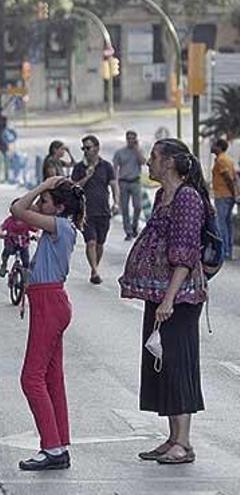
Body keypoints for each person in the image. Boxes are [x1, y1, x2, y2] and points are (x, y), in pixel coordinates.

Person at [119, 138, 209, 465]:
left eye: (154, 157)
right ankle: (172, 437)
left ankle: (183, 443)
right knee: (162, 364)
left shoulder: (186, 198)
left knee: (178, 364)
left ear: (169, 162)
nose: (148, 163)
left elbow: (184, 254)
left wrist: (169, 299)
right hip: (158, 294)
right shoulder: (162, 196)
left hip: (179, 299)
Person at [9, 176, 86, 471]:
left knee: (31, 378)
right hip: (49, 301)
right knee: (52, 378)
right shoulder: (60, 226)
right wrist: (45, 190)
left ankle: (52, 446)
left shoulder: (60, 227)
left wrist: (42, 186)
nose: (40, 205)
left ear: (59, 207)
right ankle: (58, 443)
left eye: (46, 202)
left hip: (49, 303)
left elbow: (18, 209)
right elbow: (17, 208)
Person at [71, 135, 119, 285]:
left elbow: (113, 185)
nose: (85, 151)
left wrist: (116, 202)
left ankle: (95, 266)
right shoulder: (79, 168)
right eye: (83, 148)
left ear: (97, 148)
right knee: (90, 242)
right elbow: (74, 188)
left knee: (99, 244)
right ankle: (94, 271)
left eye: (88, 148)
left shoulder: (106, 166)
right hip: (85, 212)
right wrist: (87, 177)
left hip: (103, 210)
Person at [113, 130, 146, 241]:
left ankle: (134, 226)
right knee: (125, 208)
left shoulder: (138, 151)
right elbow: (115, 167)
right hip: (124, 181)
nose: (131, 141)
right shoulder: (120, 152)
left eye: (133, 138)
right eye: (129, 138)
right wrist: (115, 183)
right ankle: (128, 231)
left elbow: (143, 162)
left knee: (138, 206)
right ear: (126, 139)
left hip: (135, 181)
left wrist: (137, 149)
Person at [211, 138, 237, 260]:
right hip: (228, 195)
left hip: (223, 195)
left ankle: (225, 251)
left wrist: (233, 193)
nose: (212, 146)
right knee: (228, 223)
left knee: (222, 224)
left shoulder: (221, 160)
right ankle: (228, 250)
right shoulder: (228, 159)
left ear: (219, 147)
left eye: (214, 144)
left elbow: (228, 178)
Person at [0, 200, 36, 277]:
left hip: (23, 243)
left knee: (26, 261)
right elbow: (2, 227)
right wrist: (1, 233)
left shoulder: (27, 221)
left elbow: (35, 229)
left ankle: (26, 276)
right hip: (11, 242)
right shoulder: (10, 220)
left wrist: (36, 235)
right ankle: (4, 265)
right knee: (7, 252)